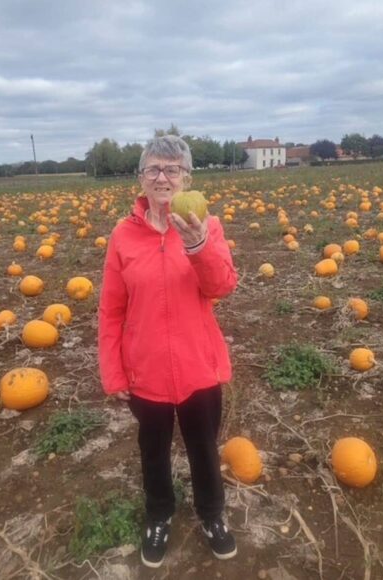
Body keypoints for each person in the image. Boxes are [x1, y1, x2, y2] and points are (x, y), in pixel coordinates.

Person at [98, 135, 239, 568]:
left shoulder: (206, 226)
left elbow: (222, 286)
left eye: (172, 169)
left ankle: (212, 514)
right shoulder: (123, 236)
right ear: (141, 179)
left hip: (199, 366)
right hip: (147, 371)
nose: (163, 177)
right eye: (154, 169)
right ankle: (159, 515)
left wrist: (198, 246)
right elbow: (110, 309)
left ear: (186, 178)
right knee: (153, 451)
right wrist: (114, 372)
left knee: (203, 447)